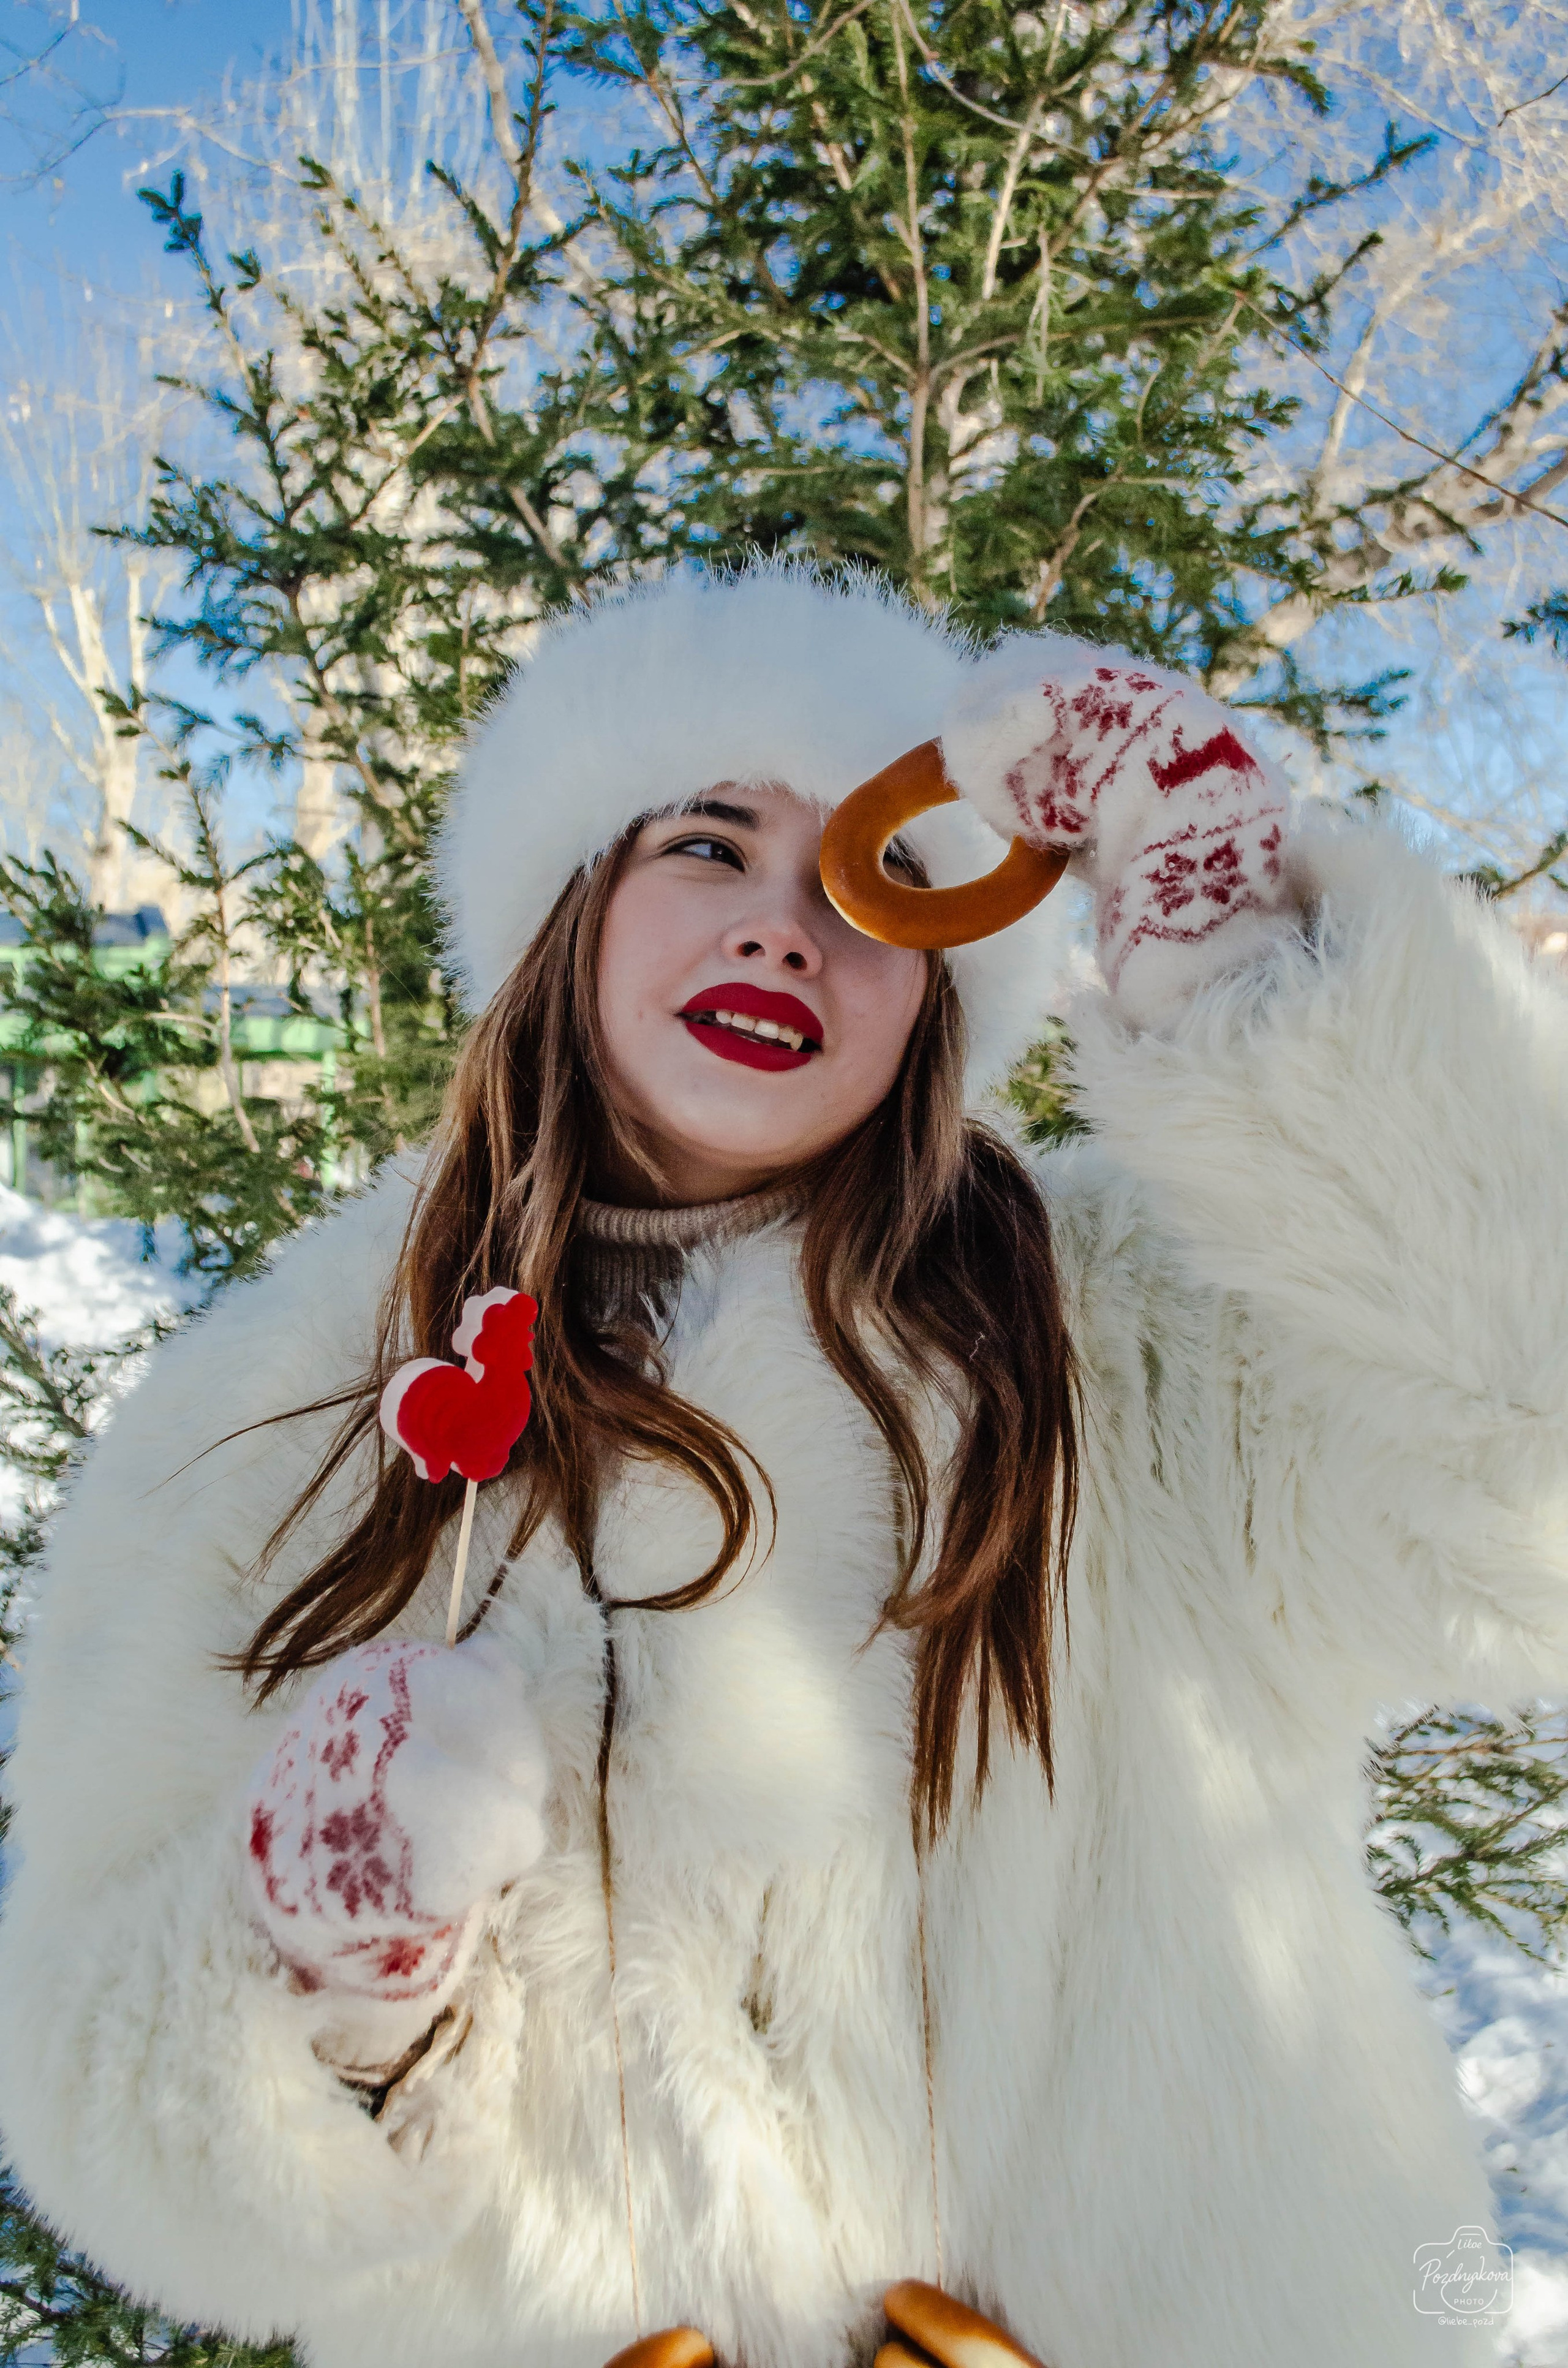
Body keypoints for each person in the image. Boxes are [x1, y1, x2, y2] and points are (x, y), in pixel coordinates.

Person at [0, 564, 1561, 2368]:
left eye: (865, 887)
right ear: (572, 912)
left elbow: (1529, 1496)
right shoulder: (283, 1402)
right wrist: (315, 1960)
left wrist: (1258, 983)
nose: (783, 930)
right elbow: (108, 2107)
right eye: (707, 847)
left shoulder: (1139, 1323)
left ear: (941, 992)